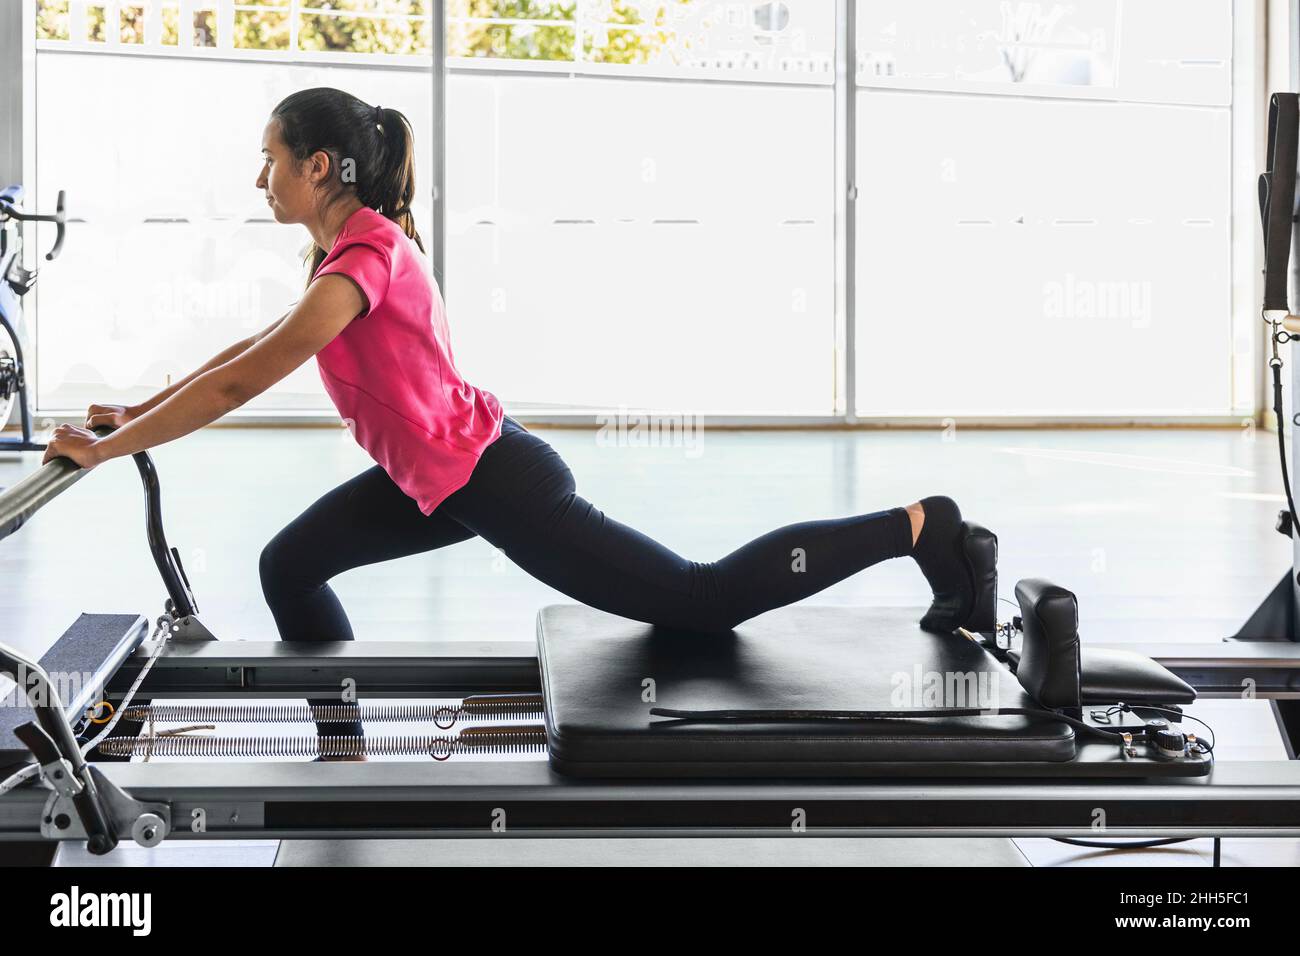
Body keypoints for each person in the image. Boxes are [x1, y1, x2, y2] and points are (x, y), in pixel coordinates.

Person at [44, 87, 979, 666]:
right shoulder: (351, 249)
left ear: (318, 166)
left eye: (270, 160)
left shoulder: (363, 261)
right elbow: (250, 351)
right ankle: (341, 751)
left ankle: (925, 527)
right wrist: (138, 407)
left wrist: (104, 449)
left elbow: (242, 386)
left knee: (699, 606)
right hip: (437, 481)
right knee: (290, 564)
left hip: (494, 480)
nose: (260, 180)